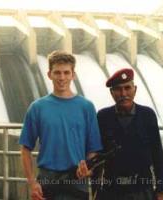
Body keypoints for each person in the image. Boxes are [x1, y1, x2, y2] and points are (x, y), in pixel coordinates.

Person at [19, 50, 102, 200]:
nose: (62, 78)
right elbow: (25, 148)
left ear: (73, 75)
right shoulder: (37, 107)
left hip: (77, 180)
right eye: (57, 73)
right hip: (47, 180)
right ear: (49, 74)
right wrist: (32, 183)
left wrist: (88, 170)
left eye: (66, 72)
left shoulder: (86, 107)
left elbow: (93, 149)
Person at [97, 68, 163, 200]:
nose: (123, 93)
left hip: (142, 191)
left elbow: (157, 154)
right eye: (118, 89)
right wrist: (96, 190)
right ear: (111, 93)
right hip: (111, 191)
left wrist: (160, 190)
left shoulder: (148, 115)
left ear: (135, 89)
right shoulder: (103, 117)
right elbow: (98, 156)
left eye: (127, 88)